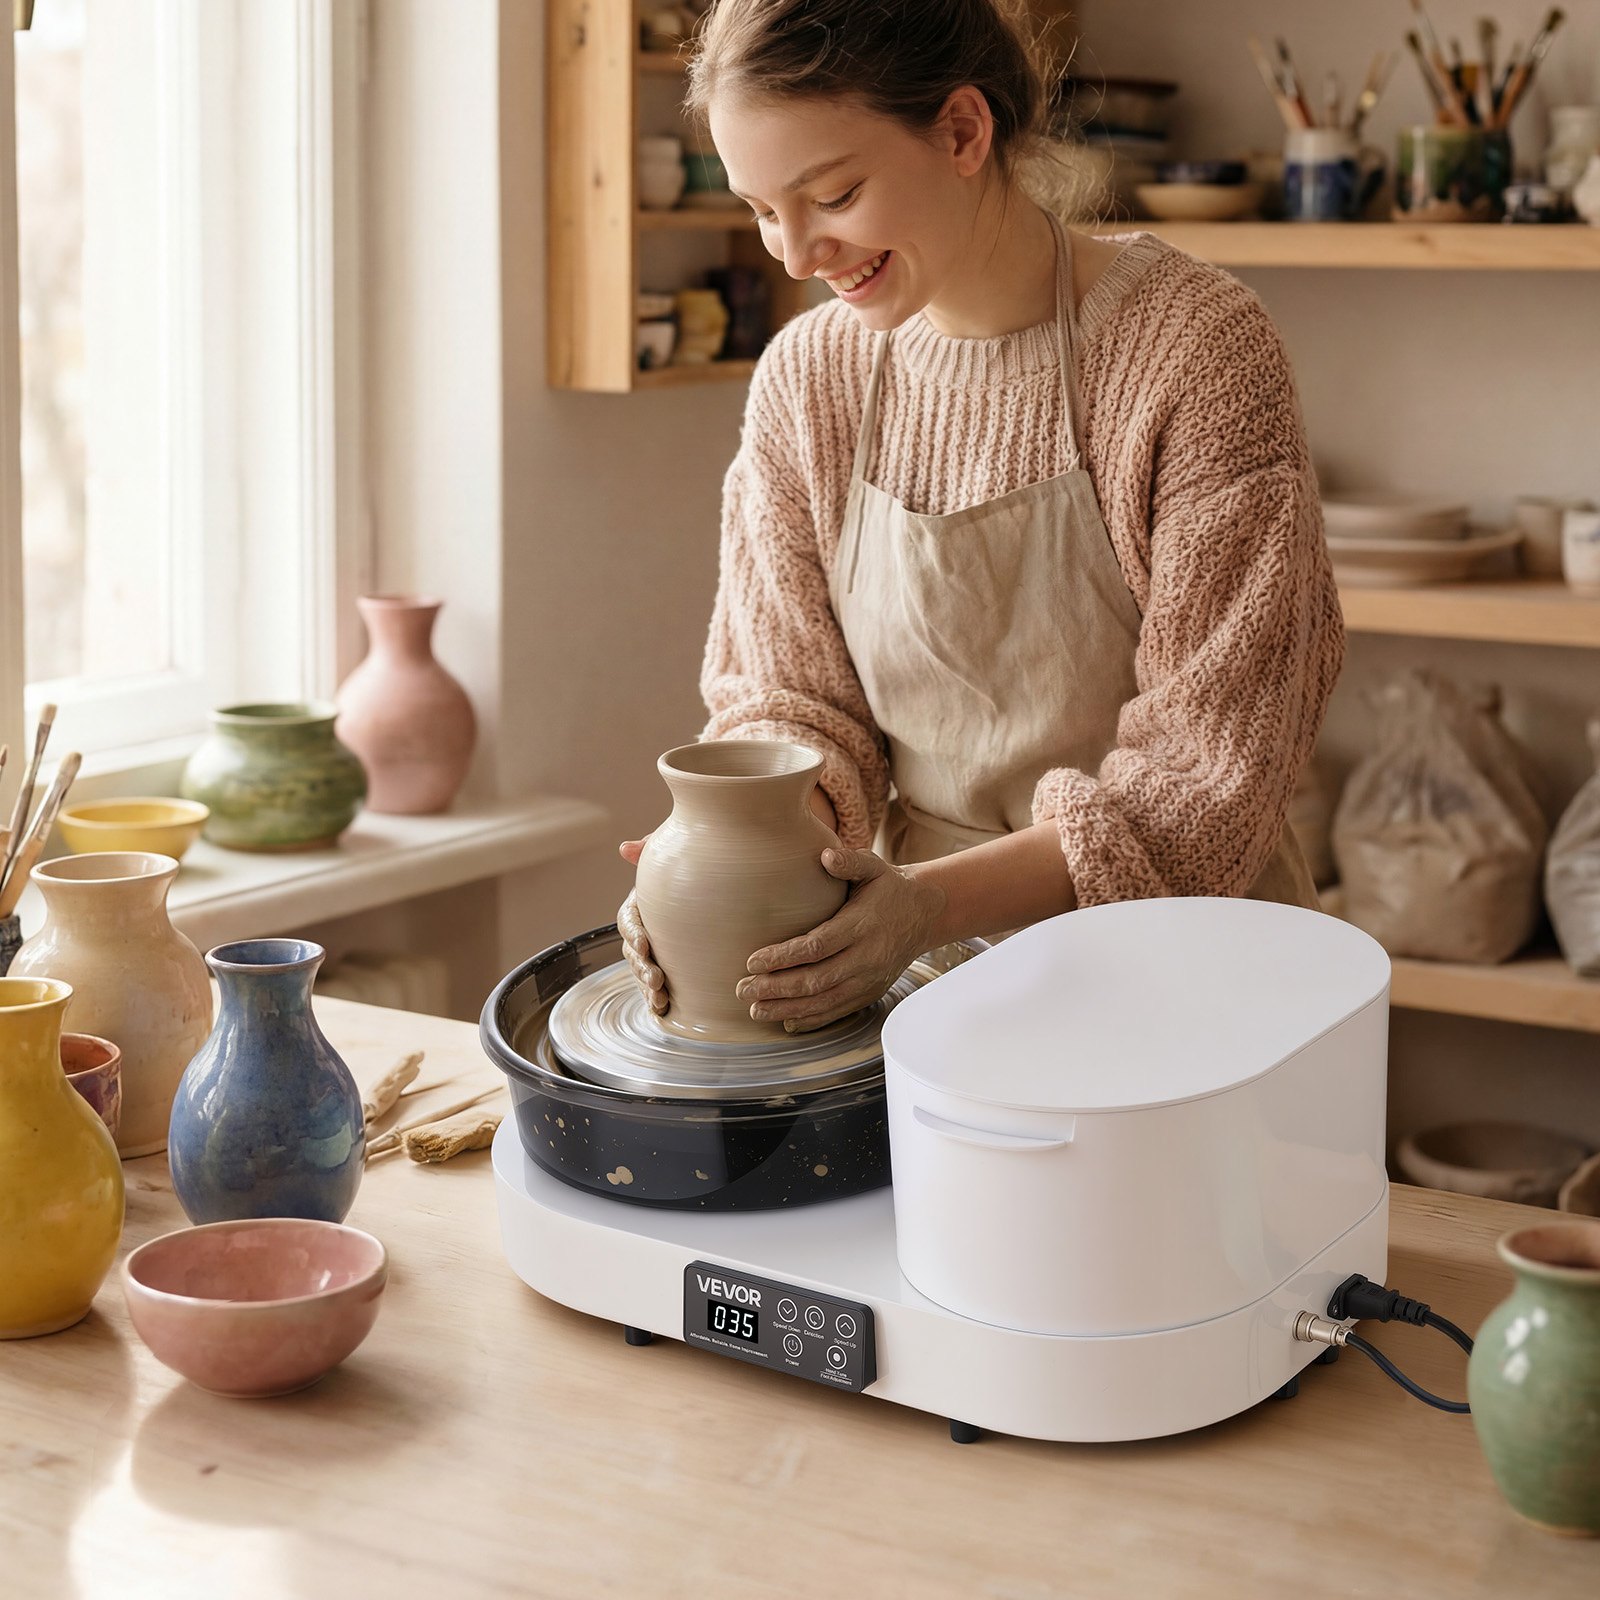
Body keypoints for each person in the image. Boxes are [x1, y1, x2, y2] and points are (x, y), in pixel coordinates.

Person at [619, 0, 1343, 1035]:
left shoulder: (1191, 349)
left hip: (1188, 975)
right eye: (761, 210)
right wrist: (729, 857)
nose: (794, 254)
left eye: (831, 194)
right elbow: (792, 703)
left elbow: (1205, 776)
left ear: (963, 131)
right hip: (928, 989)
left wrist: (928, 907)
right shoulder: (807, 379)